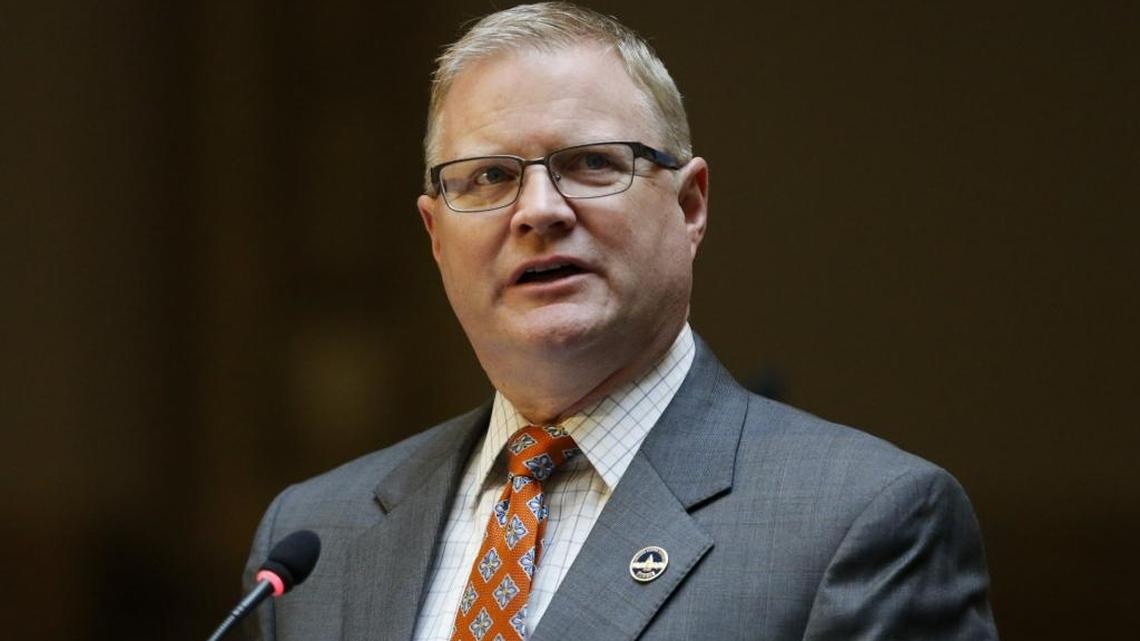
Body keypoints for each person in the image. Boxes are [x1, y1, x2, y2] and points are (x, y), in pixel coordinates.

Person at [243, 3, 998, 640]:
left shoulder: (864, 523)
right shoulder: (313, 538)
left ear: (690, 205)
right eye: (490, 177)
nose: (539, 211)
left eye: (592, 164)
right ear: (437, 237)